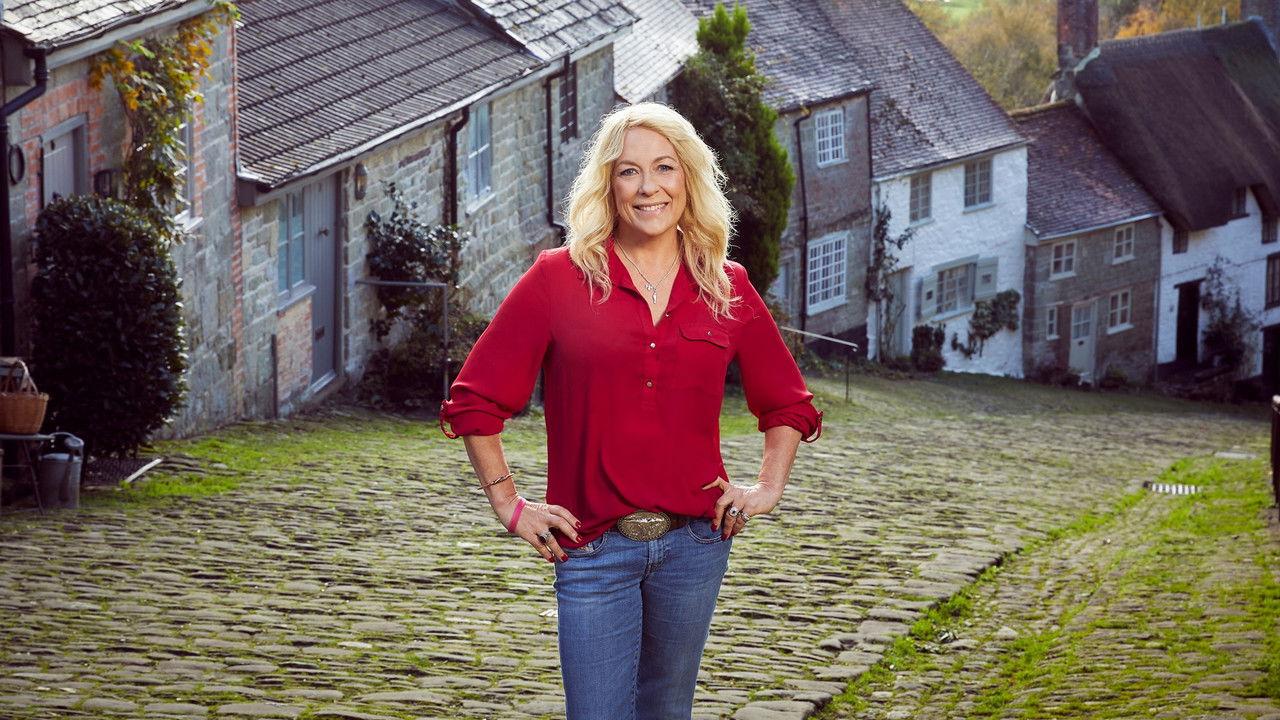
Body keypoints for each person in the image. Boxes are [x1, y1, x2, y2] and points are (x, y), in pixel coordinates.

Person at [439, 102, 821, 720]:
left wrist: (768, 487)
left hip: (695, 546)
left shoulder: (726, 285)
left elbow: (786, 400)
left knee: (667, 711)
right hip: (592, 550)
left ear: (688, 179)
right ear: (608, 185)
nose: (649, 187)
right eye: (629, 171)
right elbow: (476, 399)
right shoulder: (558, 279)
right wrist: (509, 504)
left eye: (665, 167)